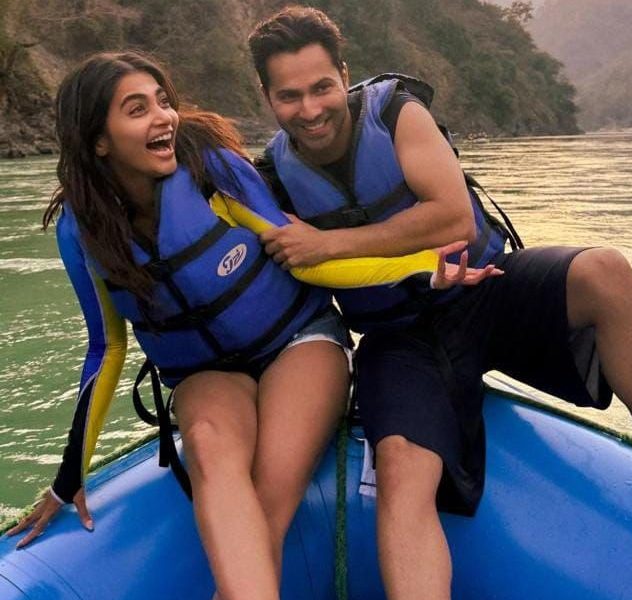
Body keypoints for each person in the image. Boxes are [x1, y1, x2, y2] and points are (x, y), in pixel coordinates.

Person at [247, 6, 632, 597]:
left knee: (605, 271)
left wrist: (328, 242)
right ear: (266, 97)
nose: (311, 109)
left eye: (322, 87)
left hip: (485, 290)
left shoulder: (397, 113)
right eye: (289, 96)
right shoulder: (270, 177)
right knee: (400, 467)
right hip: (398, 339)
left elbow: (452, 216)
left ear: (344, 75)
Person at [3, 51, 500, 600]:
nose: (164, 117)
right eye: (137, 109)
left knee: (268, 497)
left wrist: (420, 267)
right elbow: (107, 347)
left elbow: (308, 260)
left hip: (299, 343)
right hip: (206, 374)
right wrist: (68, 476)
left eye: (163, 101)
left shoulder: (211, 172)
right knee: (208, 444)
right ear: (99, 140)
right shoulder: (81, 231)